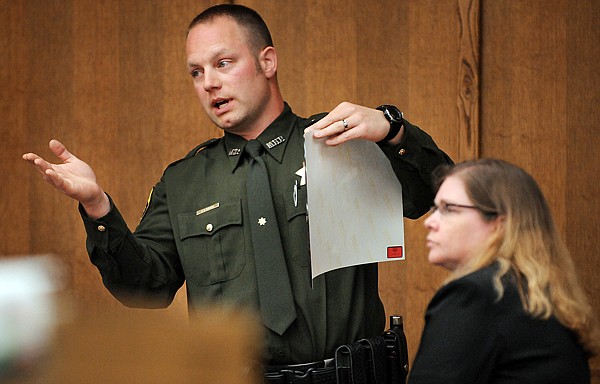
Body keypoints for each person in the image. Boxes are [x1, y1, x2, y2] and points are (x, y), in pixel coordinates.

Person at [23, 4, 452, 368]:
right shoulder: (184, 181)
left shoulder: (341, 141)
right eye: (196, 72)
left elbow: (434, 193)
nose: (209, 82)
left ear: (267, 61)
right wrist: (98, 208)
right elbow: (145, 290)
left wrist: (393, 130)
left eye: (223, 63)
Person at [408, 158, 600, 383]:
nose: (430, 222)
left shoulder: (477, 295)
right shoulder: (532, 292)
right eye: (435, 208)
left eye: (448, 209)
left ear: (499, 223)